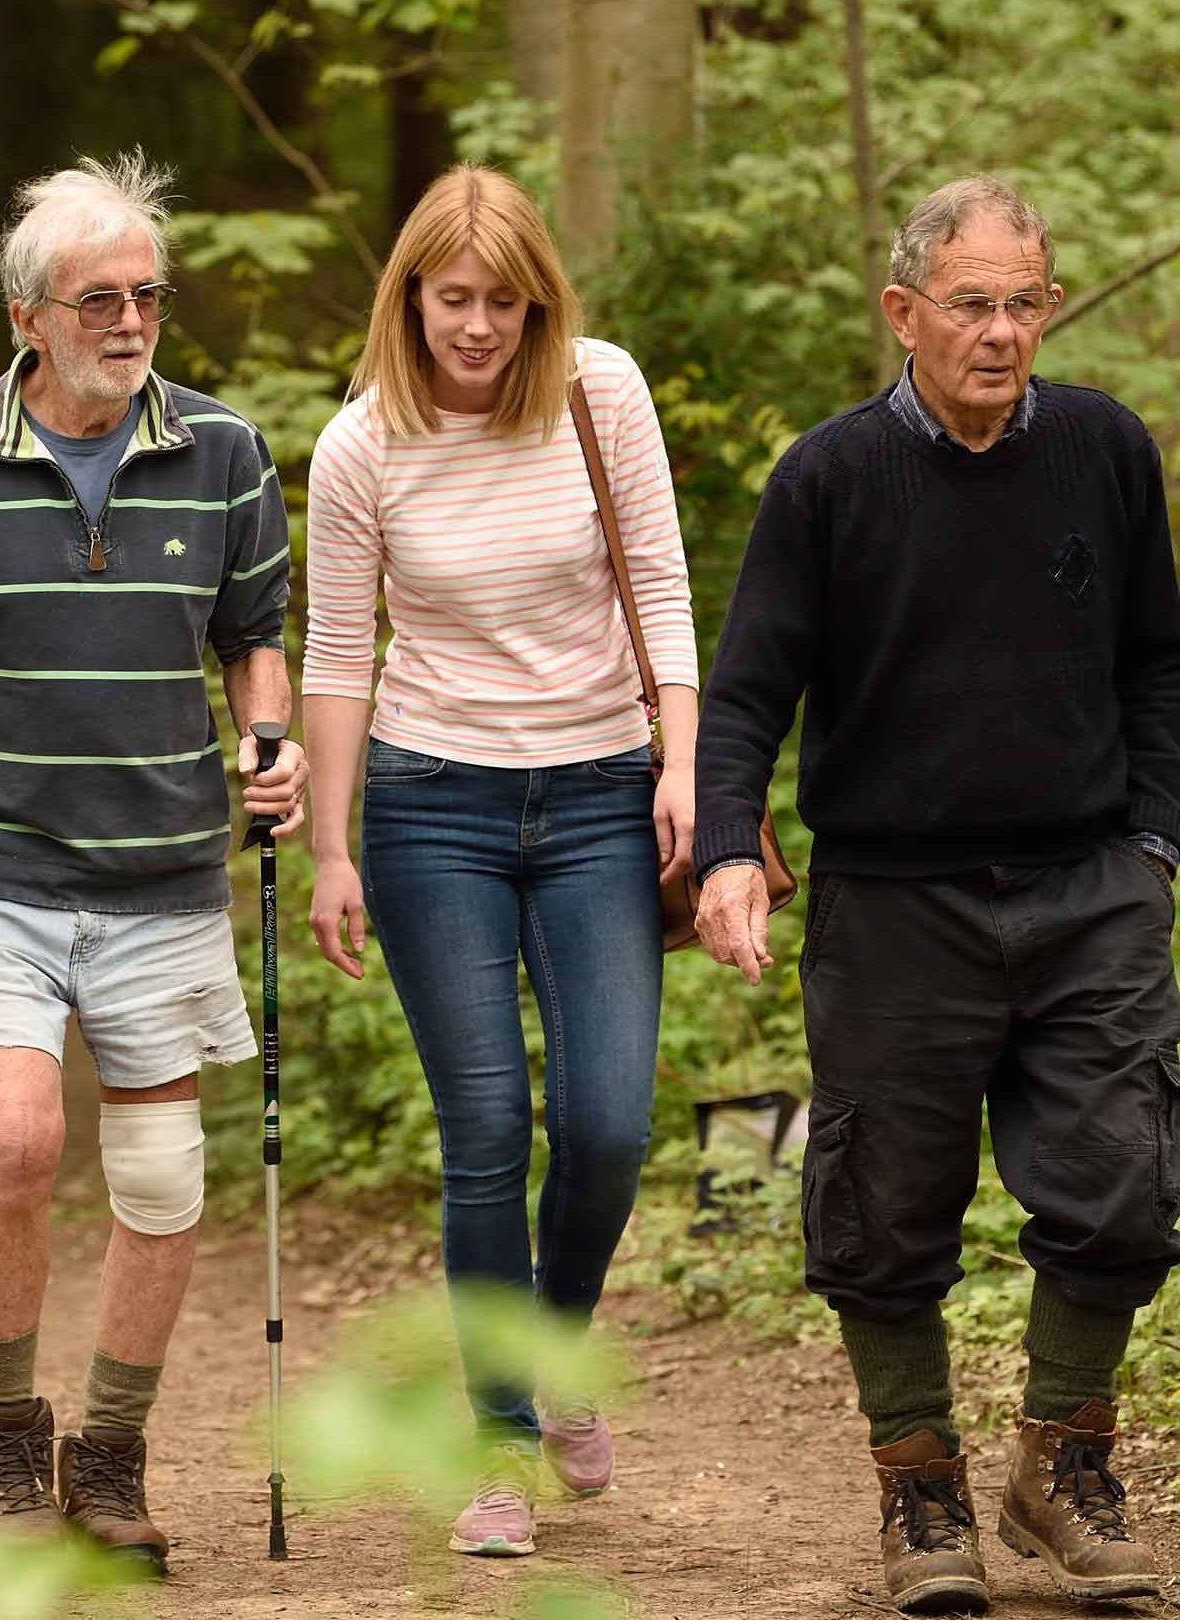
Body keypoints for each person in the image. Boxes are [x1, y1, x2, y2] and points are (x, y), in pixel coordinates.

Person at [689, 174, 1180, 1612]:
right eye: (970, 304)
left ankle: (1064, 1464)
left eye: (1023, 303)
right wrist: (732, 842)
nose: (1000, 332)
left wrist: (1153, 844)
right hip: (893, 900)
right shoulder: (831, 477)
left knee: (1123, 1186)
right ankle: (922, 1497)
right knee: (883, 1214)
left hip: (1089, 883)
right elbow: (748, 693)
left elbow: (1160, 661)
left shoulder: (1104, 448)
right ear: (904, 312)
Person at [0, 151, 304, 1578]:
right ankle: (1, 1446)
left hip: (163, 871)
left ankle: (107, 1456)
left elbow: (253, 635)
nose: (131, 318)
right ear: (28, 316)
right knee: (23, 1140)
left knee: (162, 1176)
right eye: (98, 298)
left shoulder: (223, 453)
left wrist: (270, 739)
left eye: (148, 294)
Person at [300, 163, 698, 1560]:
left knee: (607, 1123)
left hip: (599, 798)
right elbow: (340, 652)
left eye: (505, 304)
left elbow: (660, 581)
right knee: (485, 1131)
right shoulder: (360, 447)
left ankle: (554, 1351)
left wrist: (686, 763)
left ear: (543, 304)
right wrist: (332, 845)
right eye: (453, 299)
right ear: (408, 296)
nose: (478, 328)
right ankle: (502, 1442)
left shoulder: (602, 394)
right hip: (430, 809)